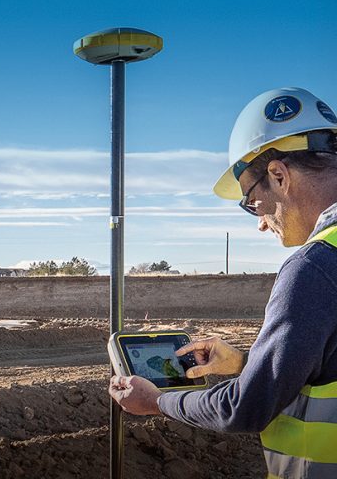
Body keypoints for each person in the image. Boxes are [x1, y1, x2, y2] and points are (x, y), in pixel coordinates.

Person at [109, 87, 337, 478]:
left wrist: (158, 402)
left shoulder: (314, 267)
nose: (262, 222)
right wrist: (248, 364)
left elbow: (243, 408)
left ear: (279, 176)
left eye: (251, 203)